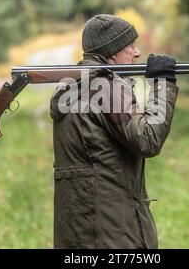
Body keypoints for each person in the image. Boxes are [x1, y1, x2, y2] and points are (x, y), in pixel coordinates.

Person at [50, 14, 178, 248]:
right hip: (112, 234)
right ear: (112, 53)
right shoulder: (105, 88)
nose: (137, 53)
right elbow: (149, 139)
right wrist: (162, 85)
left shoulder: (75, 86)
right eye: (130, 46)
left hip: (81, 230)